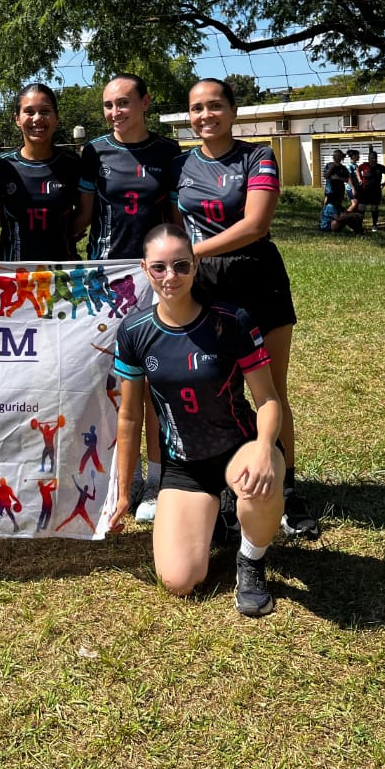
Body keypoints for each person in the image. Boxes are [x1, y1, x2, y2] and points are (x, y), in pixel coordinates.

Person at [110, 225, 285, 617]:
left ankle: (251, 560)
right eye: (159, 268)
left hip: (237, 449)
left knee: (260, 480)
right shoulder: (134, 332)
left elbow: (269, 399)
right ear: (144, 269)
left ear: (195, 265)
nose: (170, 276)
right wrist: (124, 493)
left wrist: (262, 448)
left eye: (180, 265)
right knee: (179, 580)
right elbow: (129, 415)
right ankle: (219, 518)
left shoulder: (231, 321)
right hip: (184, 465)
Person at [173, 78, 318, 540]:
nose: (205, 116)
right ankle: (229, 489)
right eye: (197, 109)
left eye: (215, 106)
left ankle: (288, 492)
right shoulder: (181, 164)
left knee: (270, 389)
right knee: (217, 387)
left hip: (258, 279)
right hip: (205, 286)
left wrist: (192, 252)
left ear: (233, 111)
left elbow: (256, 224)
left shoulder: (259, 156)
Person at [74, 73, 180, 523]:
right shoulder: (93, 152)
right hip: (107, 282)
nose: (115, 112)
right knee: (113, 384)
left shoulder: (168, 152)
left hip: (156, 278)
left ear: (144, 103)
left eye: (123, 103)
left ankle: (157, 480)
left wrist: (177, 267)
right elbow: (81, 218)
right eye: (108, 105)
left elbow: (177, 217)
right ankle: (123, 477)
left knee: (156, 384)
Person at [0, 83, 80, 261]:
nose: (37, 118)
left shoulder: (72, 163)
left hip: (63, 273)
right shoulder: (2, 165)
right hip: (14, 273)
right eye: (29, 112)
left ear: (56, 117)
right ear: (17, 118)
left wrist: (66, 230)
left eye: (45, 111)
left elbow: (87, 210)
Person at [355, 148, 385, 231]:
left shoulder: (380, 167)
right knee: (361, 208)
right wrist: (359, 179)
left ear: (376, 158)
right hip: (364, 190)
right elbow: (357, 170)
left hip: (375, 191)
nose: (372, 160)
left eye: (374, 158)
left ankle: (374, 225)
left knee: (374, 208)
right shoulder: (364, 165)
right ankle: (359, 225)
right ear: (368, 158)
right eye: (370, 158)